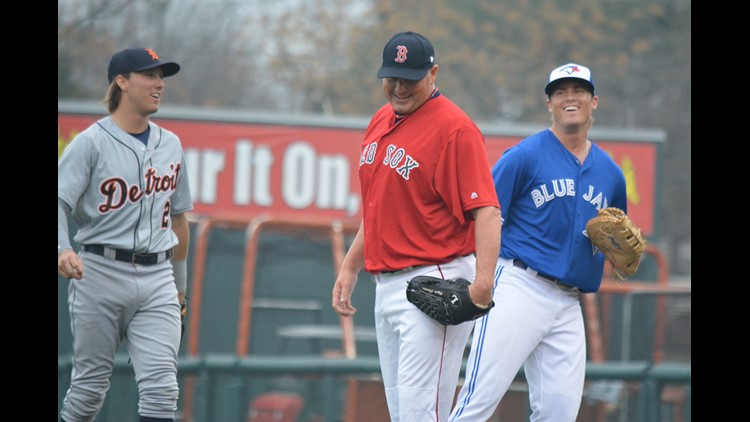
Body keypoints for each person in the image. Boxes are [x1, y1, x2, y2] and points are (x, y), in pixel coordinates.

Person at [331, 31, 501, 422]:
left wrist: (483, 283)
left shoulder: (455, 129)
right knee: (405, 415)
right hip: (384, 284)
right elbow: (378, 210)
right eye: (392, 77)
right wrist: (350, 266)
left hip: (432, 281)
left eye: (410, 78)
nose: (400, 87)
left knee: (421, 416)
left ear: (433, 73)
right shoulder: (380, 119)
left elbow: (487, 211)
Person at [448, 63, 629, 422]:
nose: (569, 98)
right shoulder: (523, 156)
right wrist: (480, 278)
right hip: (518, 286)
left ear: (595, 101)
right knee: (478, 402)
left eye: (578, 90)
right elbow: (485, 218)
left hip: (568, 302)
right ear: (550, 104)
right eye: (560, 92)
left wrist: (619, 253)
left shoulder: (611, 174)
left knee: (559, 414)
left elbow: (617, 240)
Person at [58, 47, 193, 422]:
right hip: (100, 271)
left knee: (162, 390)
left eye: (161, 76)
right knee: (88, 391)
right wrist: (62, 248)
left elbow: (179, 220)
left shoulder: (171, 144)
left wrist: (180, 290)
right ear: (121, 81)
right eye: (149, 75)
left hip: (157, 278)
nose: (159, 84)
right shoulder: (91, 142)